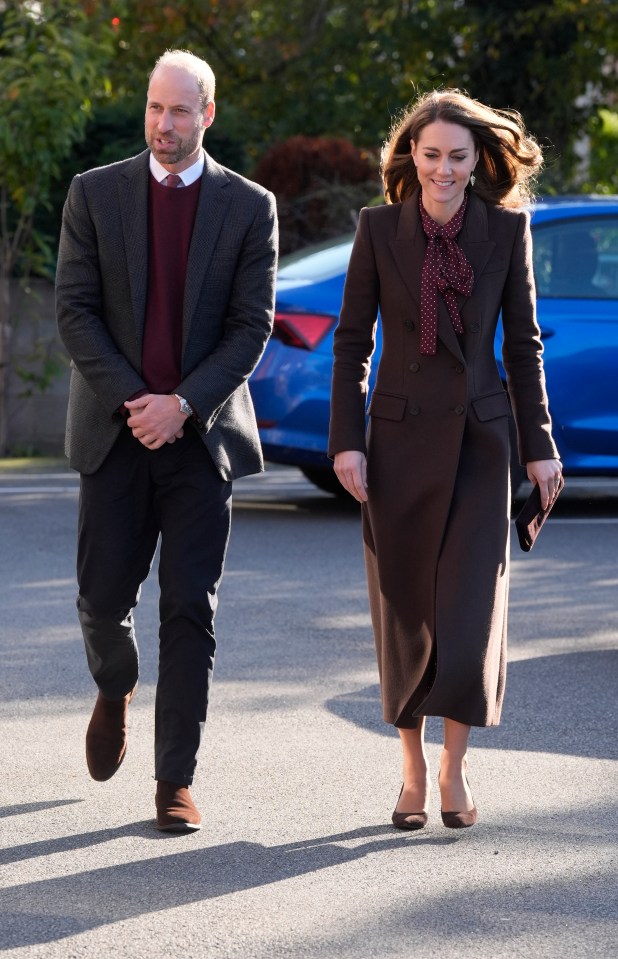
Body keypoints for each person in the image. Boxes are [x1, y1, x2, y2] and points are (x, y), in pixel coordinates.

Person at [56, 49, 278, 832]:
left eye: (181, 110)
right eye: (156, 107)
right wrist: (136, 403)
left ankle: (174, 780)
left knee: (190, 607)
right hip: (114, 437)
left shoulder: (249, 206)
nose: (164, 124)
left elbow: (250, 326)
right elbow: (75, 310)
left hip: (200, 440)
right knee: (100, 602)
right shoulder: (94, 193)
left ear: (207, 115)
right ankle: (114, 685)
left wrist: (181, 404)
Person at [329, 90, 562, 830]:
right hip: (395, 445)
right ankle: (409, 768)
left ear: (476, 161)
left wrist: (540, 447)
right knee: (405, 616)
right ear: (411, 159)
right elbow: (351, 345)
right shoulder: (376, 230)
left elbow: (522, 347)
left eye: (457, 156)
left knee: (466, 620)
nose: (442, 169)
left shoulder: (504, 231)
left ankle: (454, 769)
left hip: (478, 445)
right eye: (430, 155)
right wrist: (347, 440)